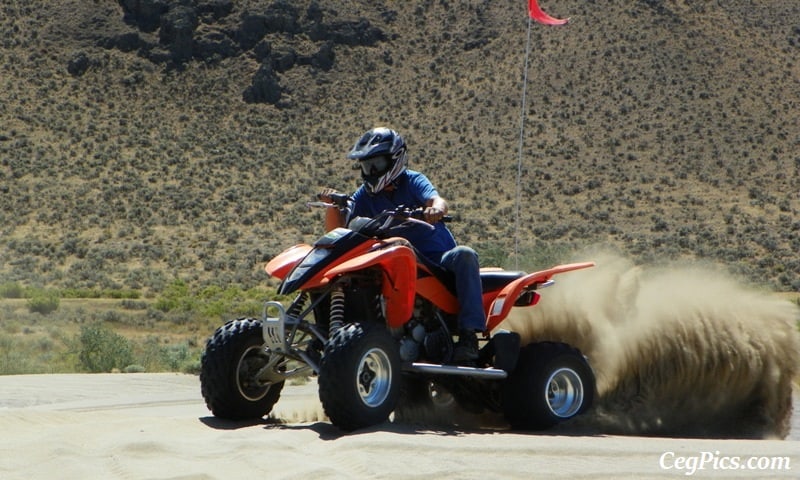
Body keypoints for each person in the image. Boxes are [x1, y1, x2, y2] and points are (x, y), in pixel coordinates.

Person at [319, 127, 484, 364]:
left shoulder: (413, 180)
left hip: (435, 258)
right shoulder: (364, 196)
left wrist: (436, 209)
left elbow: (435, 198)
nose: (371, 171)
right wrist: (332, 206)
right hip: (394, 257)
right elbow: (338, 232)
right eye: (366, 166)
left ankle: (469, 336)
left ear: (395, 159)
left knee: (465, 255)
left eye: (375, 164)